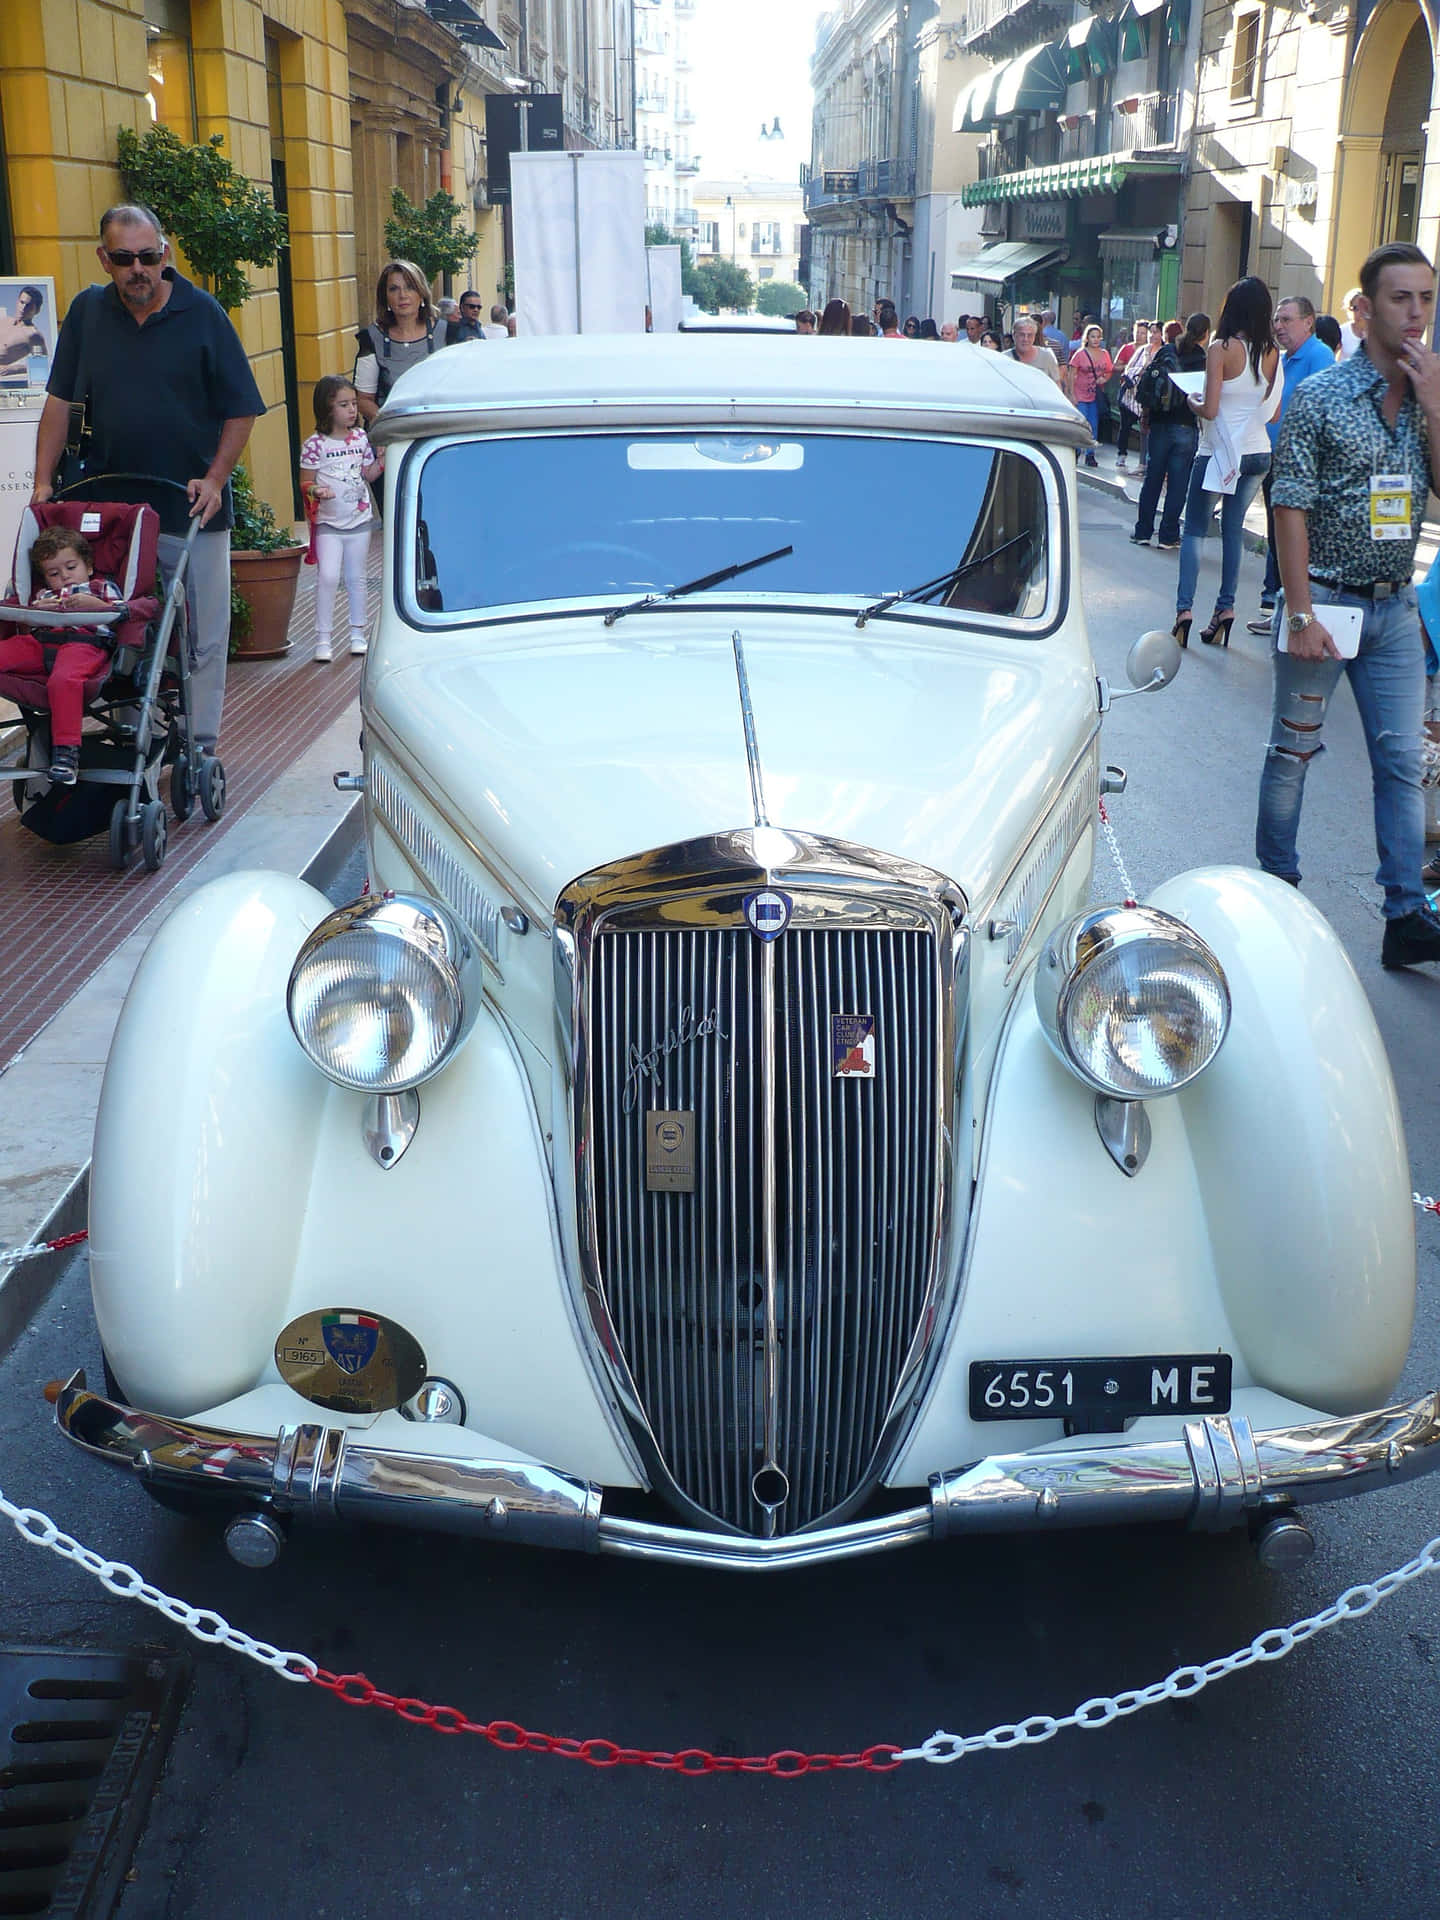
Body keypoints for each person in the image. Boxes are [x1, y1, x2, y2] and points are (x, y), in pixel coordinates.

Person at [1258, 240, 1440, 967]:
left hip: (1394, 610)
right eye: (1402, 298)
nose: (1417, 312)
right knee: (1293, 753)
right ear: (1365, 310)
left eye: (1427, 297)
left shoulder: (1432, 391)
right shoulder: (1323, 395)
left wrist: (1433, 402)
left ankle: (1404, 915)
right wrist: (1298, 613)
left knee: (1401, 764)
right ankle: (1275, 892)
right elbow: (1289, 503)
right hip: (1326, 604)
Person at [30, 203, 263, 755]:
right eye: (124, 258)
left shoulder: (203, 315)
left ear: (166, 252)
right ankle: (135, 736)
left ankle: (201, 743)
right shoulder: (87, 313)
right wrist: (42, 484)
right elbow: (59, 402)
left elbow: (242, 408)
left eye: (148, 256)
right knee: (119, 625)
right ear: (104, 258)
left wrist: (215, 477)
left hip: (191, 506)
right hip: (115, 512)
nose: (138, 268)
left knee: (205, 633)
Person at [1173, 275, 1279, 649]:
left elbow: (1212, 408)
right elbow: (1273, 410)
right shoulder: (1272, 352)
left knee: (1196, 530)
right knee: (1233, 530)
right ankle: (1225, 609)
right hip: (1257, 451)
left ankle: (1184, 611)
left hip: (1218, 452)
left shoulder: (1220, 348)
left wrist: (1192, 402)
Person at [0, 525, 122, 784]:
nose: (65, 577)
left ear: (88, 567)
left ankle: (66, 754)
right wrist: (36, 610)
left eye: (71, 567)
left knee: (64, 680)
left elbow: (123, 614)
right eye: (54, 573)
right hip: (42, 642)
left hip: (84, 644)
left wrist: (98, 606)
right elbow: (30, 623)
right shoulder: (45, 594)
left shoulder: (101, 587)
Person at [1247, 296, 1336, 633]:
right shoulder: (1284, 359)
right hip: (1277, 462)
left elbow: (1325, 415)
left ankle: (1299, 615)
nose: (1278, 326)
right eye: (1277, 320)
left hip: (1304, 468)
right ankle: (1279, 608)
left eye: (1286, 320)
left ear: (1308, 322)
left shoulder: (1319, 358)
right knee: (1278, 538)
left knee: (1296, 541)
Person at [299, 375, 384, 663]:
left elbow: (368, 474)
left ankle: (357, 634)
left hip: (359, 519)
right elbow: (305, 482)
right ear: (327, 408)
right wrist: (317, 490)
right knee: (327, 577)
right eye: (343, 404)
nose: (352, 410)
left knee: (356, 578)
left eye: (353, 404)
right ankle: (323, 638)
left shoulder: (360, 438)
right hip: (328, 524)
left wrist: (382, 459)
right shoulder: (314, 445)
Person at [1130, 311, 1208, 551]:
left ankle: (1143, 531)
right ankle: (1169, 535)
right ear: (1205, 334)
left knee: (1153, 478)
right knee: (1177, 482)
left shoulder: (1167, 350)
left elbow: (1148, 381)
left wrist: (1146, 414)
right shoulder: (1201, 357)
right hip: (1185, 424)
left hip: (1160, 423)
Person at [354, 261, 439, 426]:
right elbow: (363, 399)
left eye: (410, 287)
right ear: (385, 297)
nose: (403, 295)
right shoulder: (371, 339)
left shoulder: (448, 334)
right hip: (390, 435)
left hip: (438, 432)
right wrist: (387, 425)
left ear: (421, 293)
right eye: (394, 289)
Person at [1064, 322, 1112, 467]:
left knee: (1093, 424)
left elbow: (1109, 370)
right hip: (1080, 393)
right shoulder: (1080, 354)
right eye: (1092, 337)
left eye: (1098, 337)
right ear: (1087, 338)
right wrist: (1071, 394)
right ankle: (1077, 450)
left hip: (1095, 395)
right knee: (1081, 423)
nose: (1095, 340)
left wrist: (1104, 378)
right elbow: (1071, 374)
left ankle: (1090, 454)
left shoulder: (1104, 354)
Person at [1116, 321, 1160, 473]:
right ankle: (1129, 457)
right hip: (1133, 395)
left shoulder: (1164, 352)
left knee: (1149, 430)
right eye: (1150, 332)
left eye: (1156, 332)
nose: (1151, 335)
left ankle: (1148, 463)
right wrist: (1139, 371)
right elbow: (1128, 368)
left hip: (1151, 397)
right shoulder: (1142, 350)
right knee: (1129, 427)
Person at [0, 285, 46, 382]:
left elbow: (43, 365)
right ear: (17, 302)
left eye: (29, 305)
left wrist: (13, 369)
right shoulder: (4, 320)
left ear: (37, 310)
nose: (23, 308)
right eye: (22, 302)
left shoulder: (33, 334)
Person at [1007, 314, 1061, 383]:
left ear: (1034, 337)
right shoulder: (1004, 358)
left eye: (1030, 335)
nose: (1025, 339)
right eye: (1022, 335)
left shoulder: (1046, 356)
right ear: (1014, 335)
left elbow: (1056, 385)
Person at [1339, 286, 1366, 360]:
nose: (1361, 312)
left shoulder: (1376, 333)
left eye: (1364, 307)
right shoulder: (1342, 331)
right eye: (1356, 308)